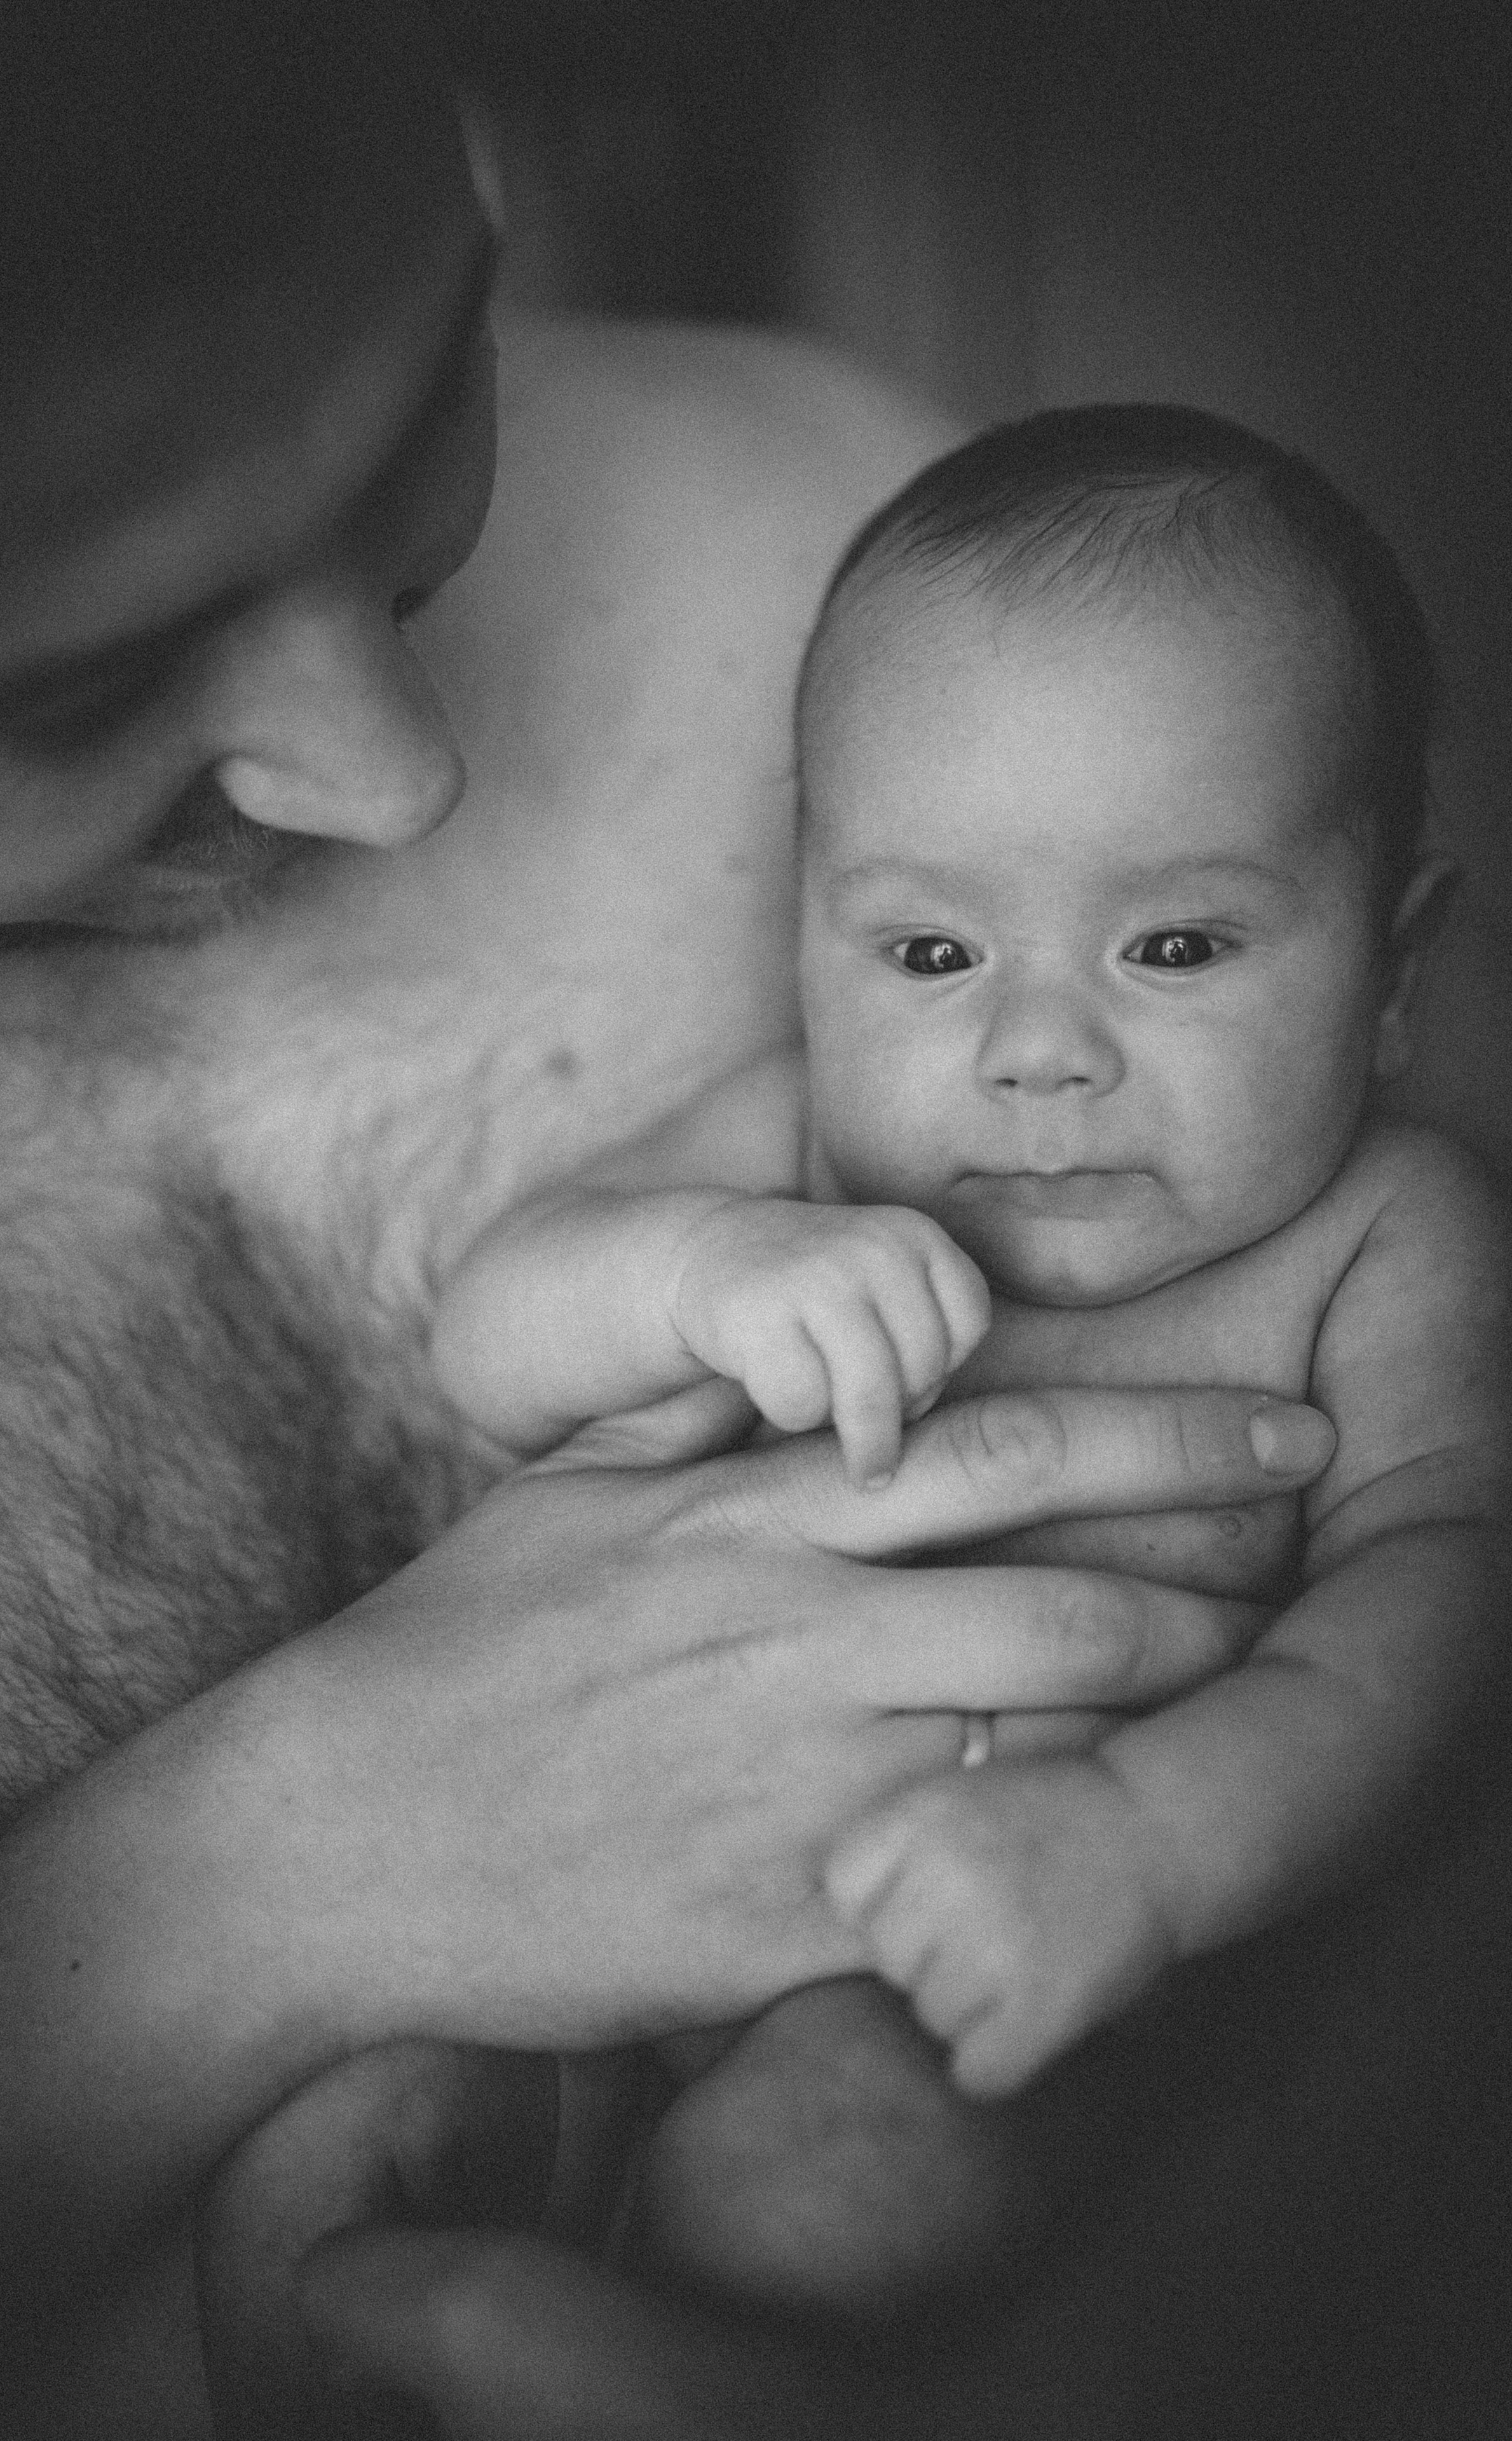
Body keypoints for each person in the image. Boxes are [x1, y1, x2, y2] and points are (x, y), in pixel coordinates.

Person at [0, 10, 1342, 2434]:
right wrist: (264, 1880)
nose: (397, 778)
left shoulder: (865, 569)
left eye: (423, 403)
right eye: (69, 698)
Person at [424, 404, 1509, 2308]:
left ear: (1393, 967)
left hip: (1044, 1962)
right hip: (623, 1887)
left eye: (1176, 948)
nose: (1039, 1053)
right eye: (931, 957)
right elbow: (488, 1341)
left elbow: (1445, 1606)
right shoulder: (796, 1155)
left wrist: (1146, 1845)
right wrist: (698, 1269)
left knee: (821, 2190)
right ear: (804, 936)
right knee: (350, 2127)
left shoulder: (1381, 1238)